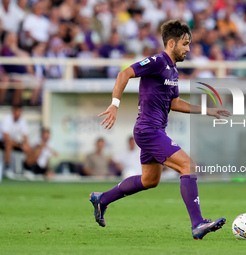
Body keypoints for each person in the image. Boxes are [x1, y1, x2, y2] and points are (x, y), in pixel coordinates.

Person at [89, 20, 231, 240]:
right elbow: (123, 74)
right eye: (185, 44)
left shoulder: (172, 70)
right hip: (149, 130)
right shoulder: (157, 61)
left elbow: (175, 103)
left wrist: (207, 111)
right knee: (188, 165)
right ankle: (198, 224)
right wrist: (114, 105)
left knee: (150, 180)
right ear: (171, 43)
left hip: (154, 130)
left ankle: (102, 199)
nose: (188, 49)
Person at [0, 104, 31, 170]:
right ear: (13, 112)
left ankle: (27, 167)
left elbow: (25, 136)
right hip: (3, 142)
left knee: (28, 147)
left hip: (17, 143)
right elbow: (6, 137)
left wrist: (25, 144)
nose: (19, 113)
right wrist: (20, 145)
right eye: (18, 111)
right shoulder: (7, 119)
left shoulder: (23, 121)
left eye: (20, 112)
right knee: (8, 144)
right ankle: (7, 166)